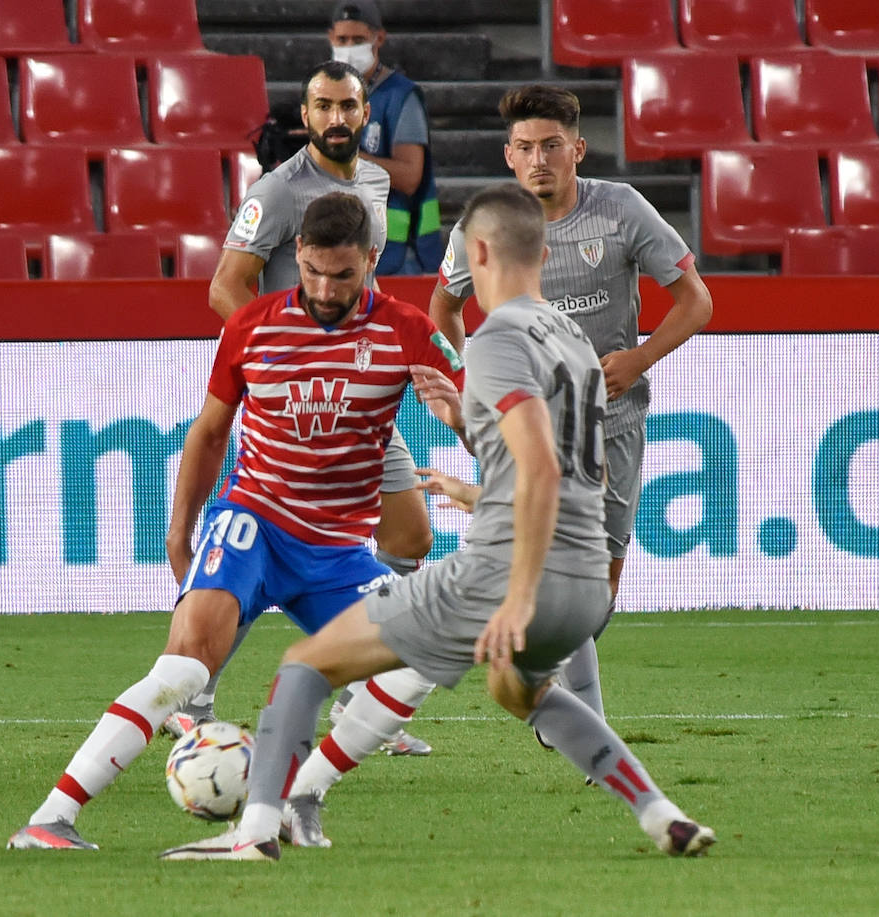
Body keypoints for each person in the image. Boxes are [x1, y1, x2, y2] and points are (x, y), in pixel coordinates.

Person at [159, 184, 715, 863]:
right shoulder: (572, 337)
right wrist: (480, 487)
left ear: (478, 252)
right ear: (544, 251)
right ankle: (664, 814)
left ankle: (252, 833)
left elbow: (538, 467)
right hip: (585, 577)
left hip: (510, 574)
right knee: (523, 691)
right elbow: (575, 474)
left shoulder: (498, 339)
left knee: (305, 664)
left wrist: (514, 589)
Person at [284, 83, 715, 803]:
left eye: (553, 146)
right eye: (525, 147)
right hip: (522, 426)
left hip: (609, 427)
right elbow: (443, 307)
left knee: (590, 598)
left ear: (577, 148)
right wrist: (472, 387)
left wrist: (637, 359)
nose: (539, 159)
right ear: (507, 154)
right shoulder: (482, 228)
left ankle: (539, 704)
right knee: (522, 588)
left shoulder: (620, 211)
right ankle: (579, 726)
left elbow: (697, 301)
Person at [7, 192, 464, 851]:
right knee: (185, 667)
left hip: (336, 548)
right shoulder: (253, 325)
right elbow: (210, 433)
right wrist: (179, 527)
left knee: (422, 654)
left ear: (371, 259)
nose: (325, 288)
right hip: (252, 524)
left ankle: (301, 795)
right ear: (297, 257)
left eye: (342, 274)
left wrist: (456, 415)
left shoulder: (409, 330)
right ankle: (51, 818)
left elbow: (487, 431)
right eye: (311, 270)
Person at [183, 59, 442, 756]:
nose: (335, 117)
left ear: (365, 115)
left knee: (411, 535)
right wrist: (283, 361)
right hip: (289, 401)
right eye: (322, 105)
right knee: (254, 556)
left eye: (347, 106)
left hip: (354, 393)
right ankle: (193, 691)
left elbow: (366, 277)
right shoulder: (277, 189)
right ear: (305, 115)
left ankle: (360, 689)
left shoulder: (377, 181)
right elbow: (224, 287)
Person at [328, 0, 441, 275]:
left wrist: (347, 157)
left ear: (379, 38)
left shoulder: (401, 97)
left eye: (358, 39)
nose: (349, 47)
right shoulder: (323, 93)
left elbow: (410, 177)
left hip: (397, 255)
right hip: (339, 248)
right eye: (342, 39)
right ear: (330, 38)